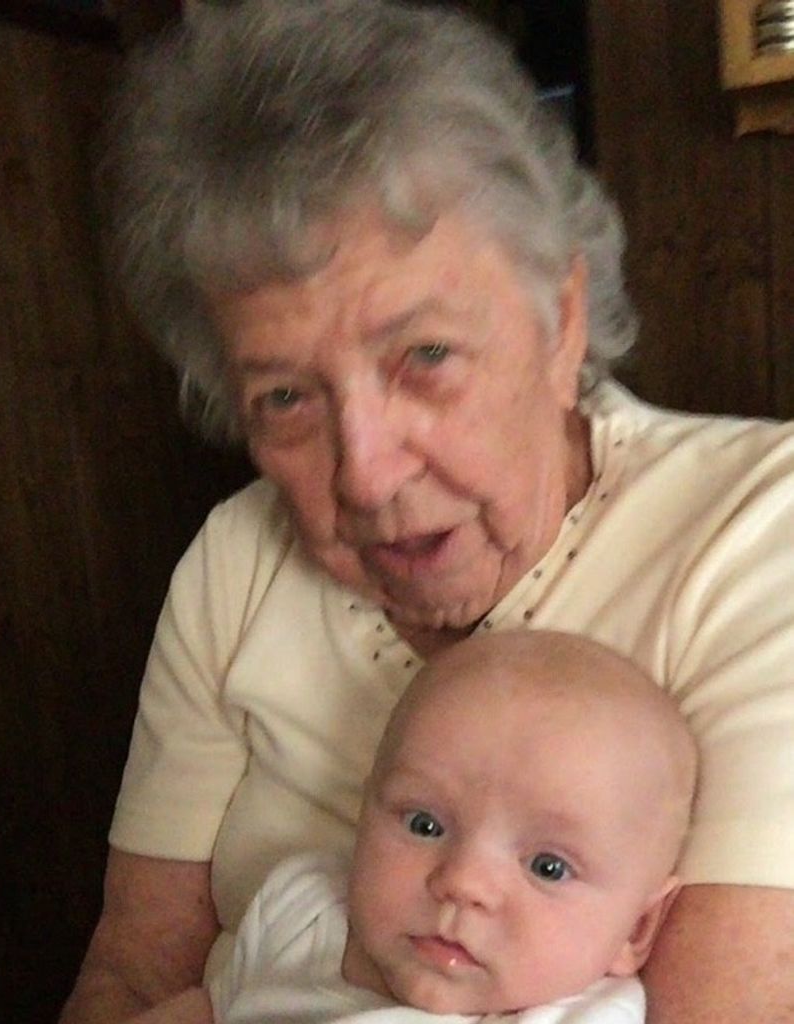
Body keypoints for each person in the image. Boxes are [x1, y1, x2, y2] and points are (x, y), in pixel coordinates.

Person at [59, 2, 794, 1023]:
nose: (365, 473)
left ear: (559, 322)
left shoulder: (757, 530)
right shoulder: (236, 562)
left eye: (426, 356)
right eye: (286, 397)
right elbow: (137, 971)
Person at [202, 629, 698, 1024]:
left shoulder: (584, 1017)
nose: (463, 883)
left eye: (548, 867)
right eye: (424, 825)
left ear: (635, 929)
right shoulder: (302, 906)